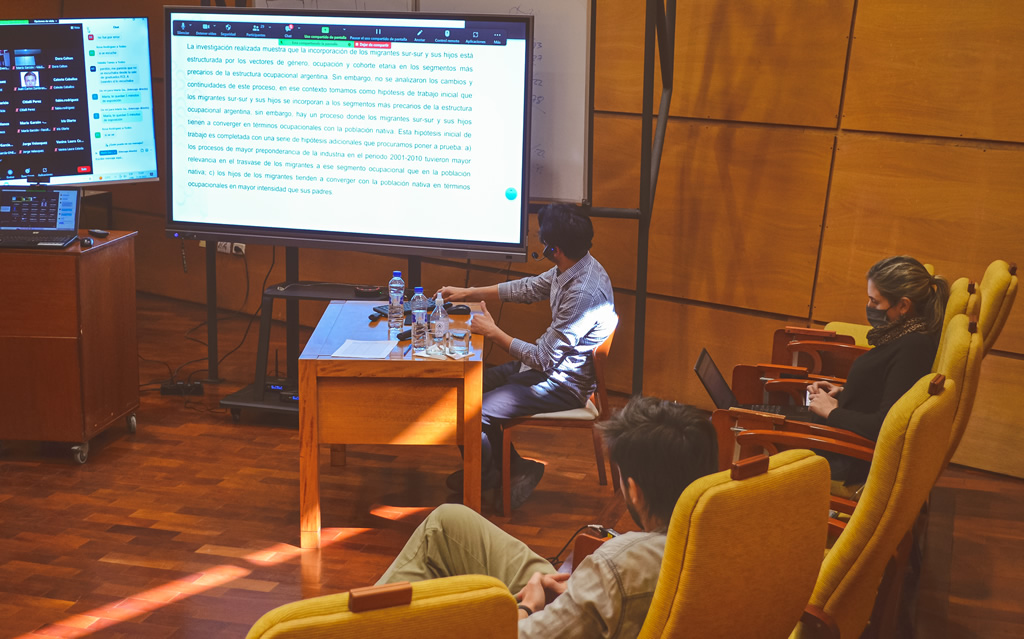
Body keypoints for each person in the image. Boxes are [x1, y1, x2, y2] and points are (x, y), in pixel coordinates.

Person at [375, 396, 718, 639]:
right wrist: (579, 589)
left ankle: (358, 627)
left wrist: (528, 607)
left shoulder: (617, 566)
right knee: (448, 523)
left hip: (568, 615)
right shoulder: (727, 534)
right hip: (609, 599)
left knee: (439, 537)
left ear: (634, 490)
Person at [438, 203, 616, 509]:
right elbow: (529, 288)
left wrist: (493, 332)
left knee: (474, 411)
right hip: (545, 369)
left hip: (562, 384)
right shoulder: (575, 265)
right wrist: (469, 292)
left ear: (554, 250)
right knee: (463, 389)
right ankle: (498, 472)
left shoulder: (583, 294)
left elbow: (544, 358)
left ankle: (491, 476)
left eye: (543, 242)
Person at [807, 255, 950, 484]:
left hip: (848, 458)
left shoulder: (913, 347)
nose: (869, 307)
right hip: (841, 437)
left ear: (903, 305)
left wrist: (832, 412)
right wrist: (844, 393)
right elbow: (887, 389)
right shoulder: (902, 333)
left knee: (757, 429)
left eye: (875, 301)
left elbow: (886, 425)